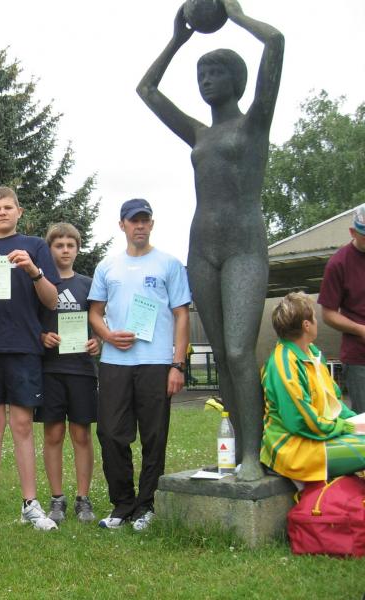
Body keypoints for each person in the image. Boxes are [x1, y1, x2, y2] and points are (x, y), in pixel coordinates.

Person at [137, 0, 283, 481]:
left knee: (240, 352)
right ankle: (237, 453)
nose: (206, 80)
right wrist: (177, 40)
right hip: (202, 246)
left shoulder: (254, 122)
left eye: (215, 72)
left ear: (237, 80)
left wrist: (235, 16)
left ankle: (252, 457)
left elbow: (276, 42)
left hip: (244, 246)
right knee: (220, 354)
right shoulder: (199, 133)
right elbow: (146, 90)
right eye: (201, 74)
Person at [0, 186, 60, 533]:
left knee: (21, 425)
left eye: (8, 207)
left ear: (19, 211)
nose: (2, 212)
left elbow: (52, 300)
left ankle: (30, 505)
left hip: (24, 347)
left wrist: (34, 271)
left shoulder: (36, 247)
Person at [88, 199, 190, 531]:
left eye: (145, 220)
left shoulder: (169, 264)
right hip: (114, 362)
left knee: (154, 436)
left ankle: (146, 506)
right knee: (110, 433)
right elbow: (95, 312)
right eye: (134, 221)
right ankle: (122, 504)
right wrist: (107, 335)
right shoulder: (108, 266)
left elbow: (181, 314)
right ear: (122, 225)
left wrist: (177, 364)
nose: (140, 226)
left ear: (152, 224)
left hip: (156, 363)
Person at [261, 292, 365, 482]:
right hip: (295, 449)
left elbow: (333, 402)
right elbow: (303, 422)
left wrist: (356, 421)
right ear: (306, 325)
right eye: (315, 318)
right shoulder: (284, 364)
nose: (317, 321)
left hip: (318, 438)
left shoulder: (312, 353)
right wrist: (347, 426)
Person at [35, 223, 100, 524]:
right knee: (53, 434)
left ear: (77, 249)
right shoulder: (41, 284)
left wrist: (97, 342)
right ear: (50, 249)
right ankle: (57, 499)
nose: (64, 250)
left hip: (82, 370)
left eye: (70, 245)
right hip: (50, 369)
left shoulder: (89, 284)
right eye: (58, 245)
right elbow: (30, 321)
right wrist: (41, 337)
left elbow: (99, 321)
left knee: (81, 434)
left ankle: (83, 499)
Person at [318, 204, 365, 414]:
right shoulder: (338, 263)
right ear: (353, 232)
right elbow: (328, 314)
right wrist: (360, 329)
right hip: (359, 359)